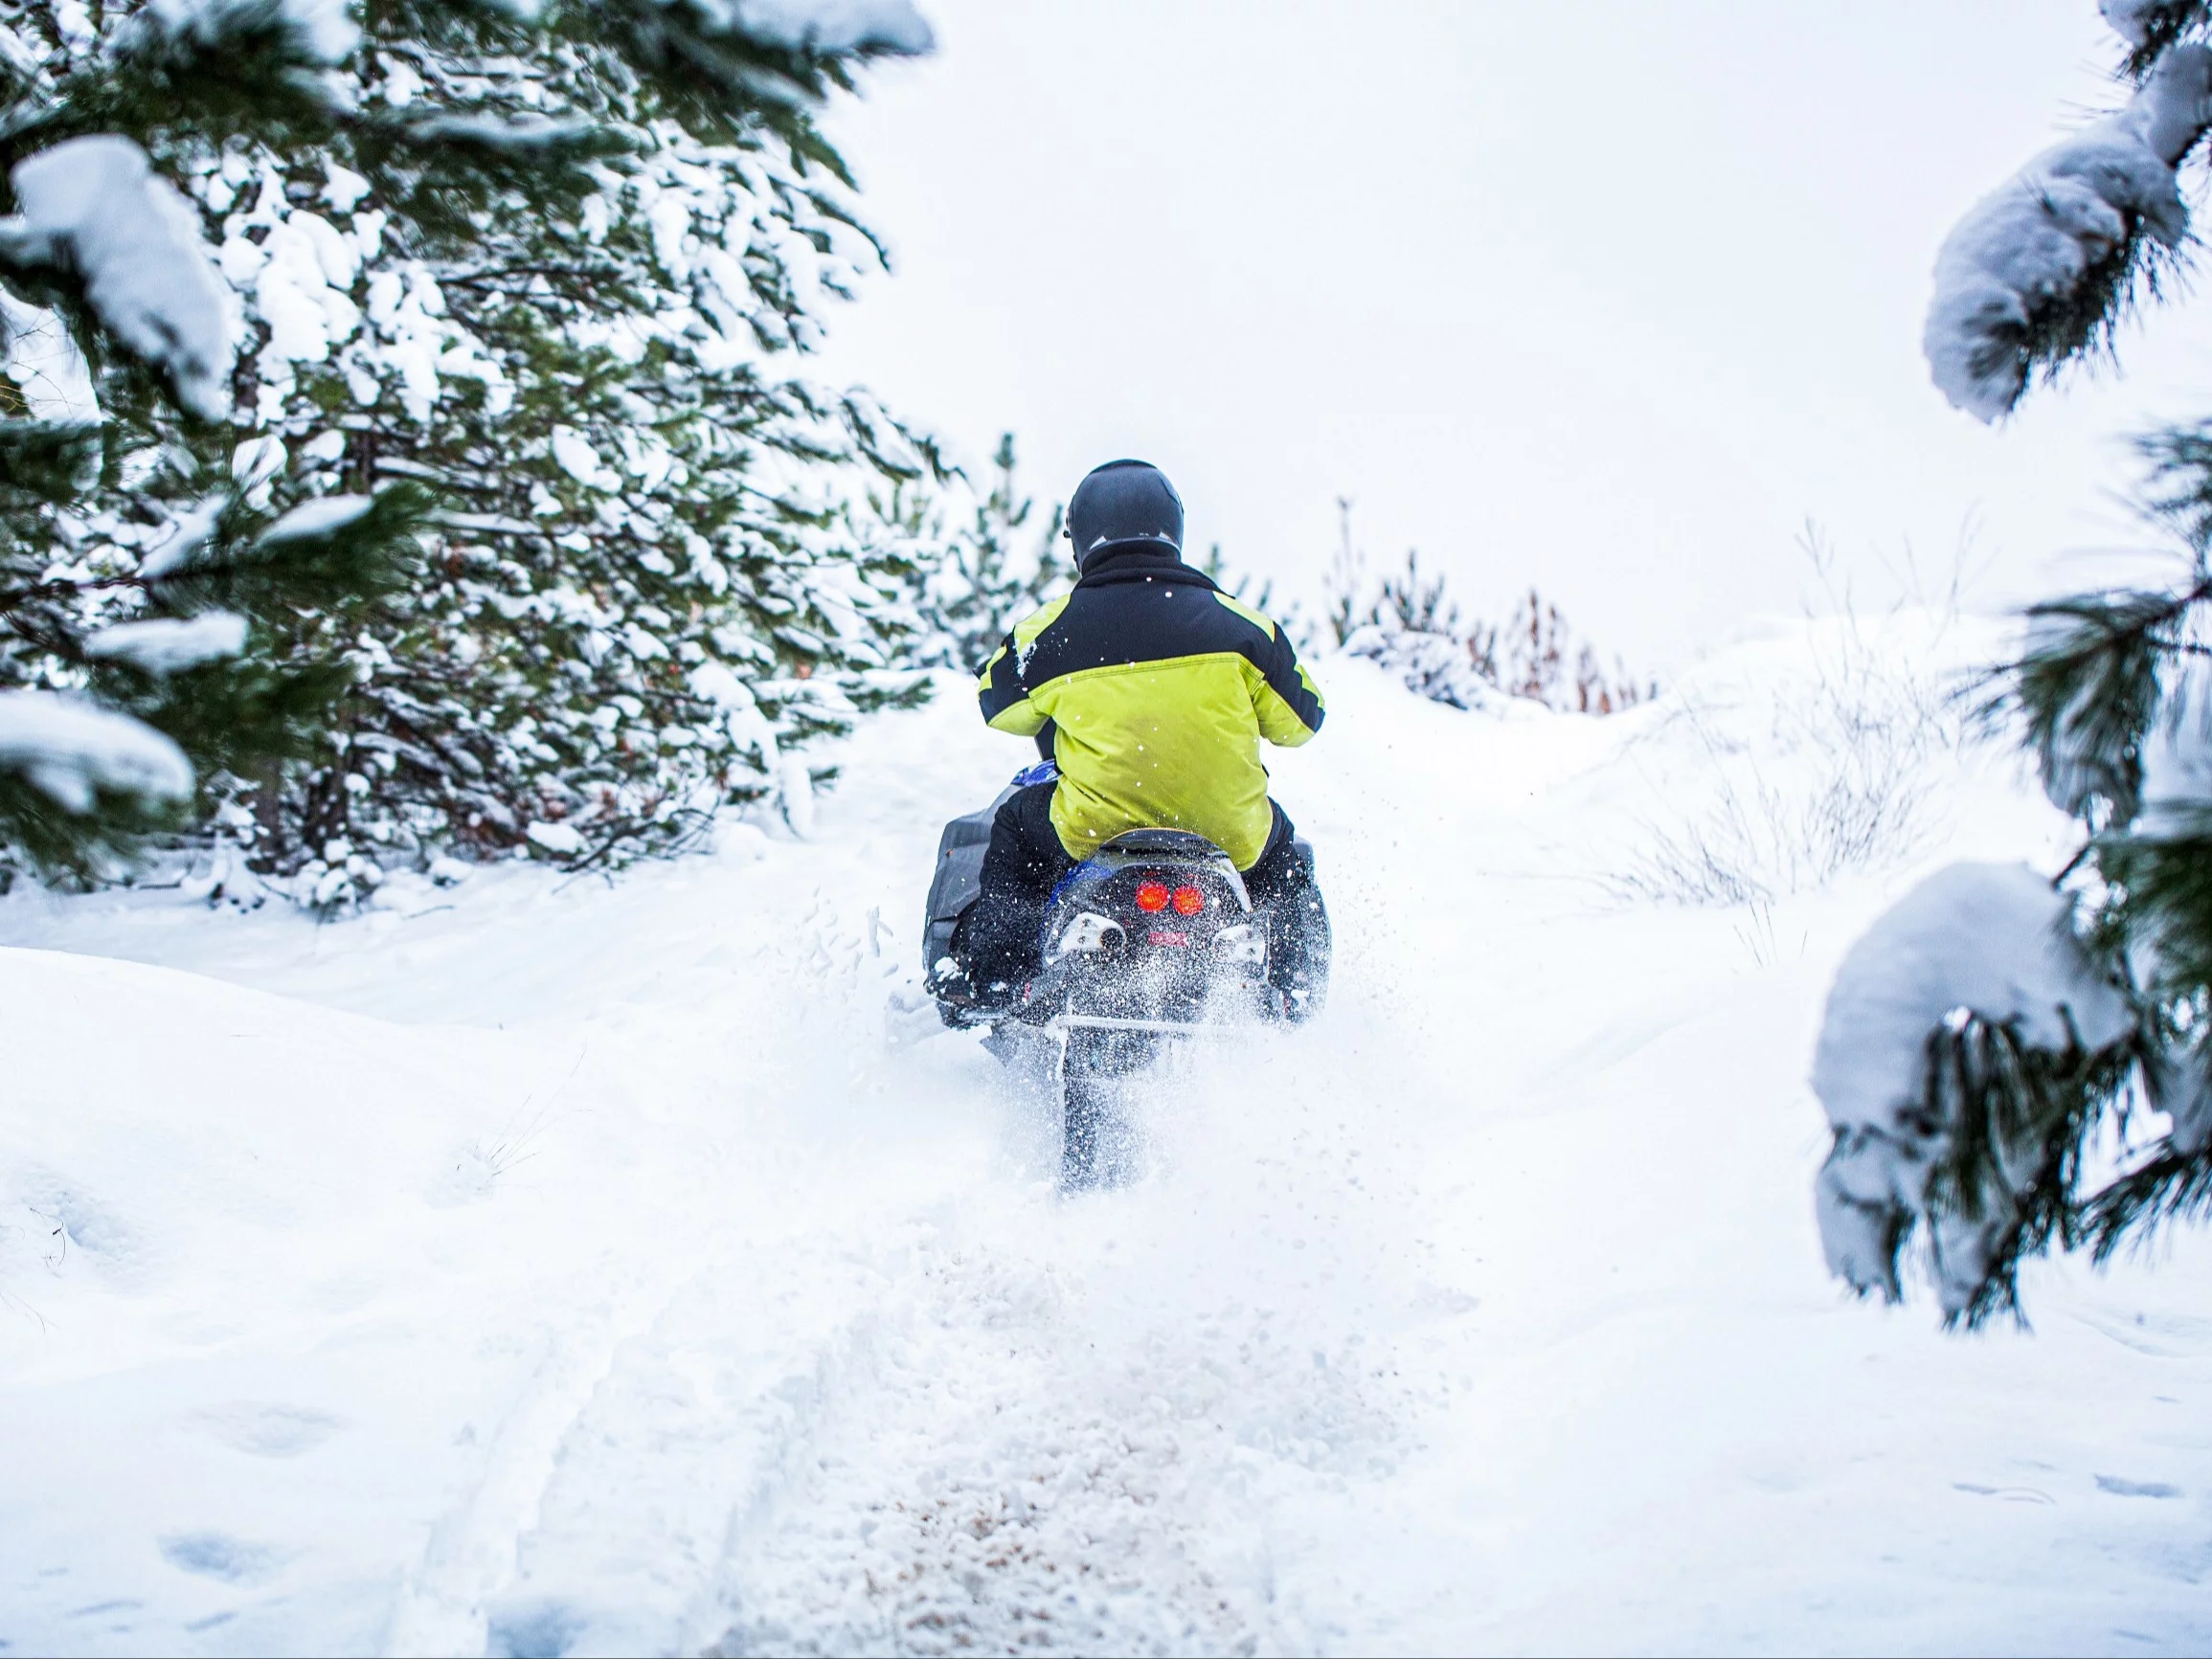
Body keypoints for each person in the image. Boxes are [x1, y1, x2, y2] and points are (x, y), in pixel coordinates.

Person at [935, 458, 1327, 1015]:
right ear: (1174, 528)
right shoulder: (1245, 629)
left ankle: (1000, 976)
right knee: (1284, 862)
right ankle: (1292, 991)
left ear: (1084, 539)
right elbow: (1305, 720)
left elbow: (996, 707)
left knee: (1014, 830)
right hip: (1226, 831)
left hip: (1093, 828)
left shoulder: (1049, 632)